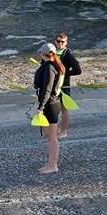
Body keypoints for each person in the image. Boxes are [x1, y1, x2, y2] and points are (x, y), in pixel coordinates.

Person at [34, 43, 66, 174]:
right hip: (53, 103)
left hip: (50, 105)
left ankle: (52, 165)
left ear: (43, 54)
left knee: (52, 137)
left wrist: (41, 106)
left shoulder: (49, 68)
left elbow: (47, 88)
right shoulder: (54, 65)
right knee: (49, 135)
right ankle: (50, 163)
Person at [55, 32, 82, 139]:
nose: (60, 43)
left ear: (66, 43)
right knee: (52, 108)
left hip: (64, 86)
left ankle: (64, 131)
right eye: (58, 41)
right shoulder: (52, 52)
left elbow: (78, 70)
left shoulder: (67, 55)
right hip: (53, 86)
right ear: (55, 42)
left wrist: (64, 73)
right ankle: (56, 128)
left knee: (64, 109)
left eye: (62, 42)